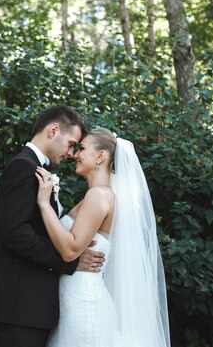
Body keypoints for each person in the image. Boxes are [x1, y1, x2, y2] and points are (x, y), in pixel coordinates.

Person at [0, 106, 106, 347]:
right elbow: (15, 233)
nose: (71, 153)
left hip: (30, 308)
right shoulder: (23, 167)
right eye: (71, 144)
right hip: (18, 306)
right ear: (53, 130)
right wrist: (69, 260)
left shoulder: (37, 169)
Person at [34, 127, 171, 347]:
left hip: (84, 304)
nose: (75, 155)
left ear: (101, 156)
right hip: (76, 301)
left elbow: (70, 250)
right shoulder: (99, 195)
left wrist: (43, 203)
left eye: (82, 149)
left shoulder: (98, 195)